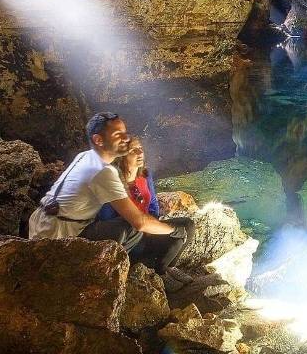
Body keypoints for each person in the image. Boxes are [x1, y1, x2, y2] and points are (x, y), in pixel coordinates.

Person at [28, 113, 181, 270]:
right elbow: (139, 222)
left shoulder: (85, 156)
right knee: (130, 227)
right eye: (117, 135)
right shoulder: (103, 171)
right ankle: (114, 272)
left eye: (124, 133)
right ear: (98, 140)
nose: (126, 138)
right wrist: (174, 230)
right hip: (58, 236)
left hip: (42, 224)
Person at [95, 136, 196, 274]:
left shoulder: (145, 175)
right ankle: (158, 274)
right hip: (130, 237)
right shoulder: (113, 183)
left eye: (141, 148)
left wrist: (153, 225)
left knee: (187, 225)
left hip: (148, 229)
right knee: (175, 235)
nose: (140, 153)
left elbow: (153, 204)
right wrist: (144, 227)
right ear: (121, 157)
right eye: (133, 150)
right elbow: (106, 218)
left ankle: (169, 270)